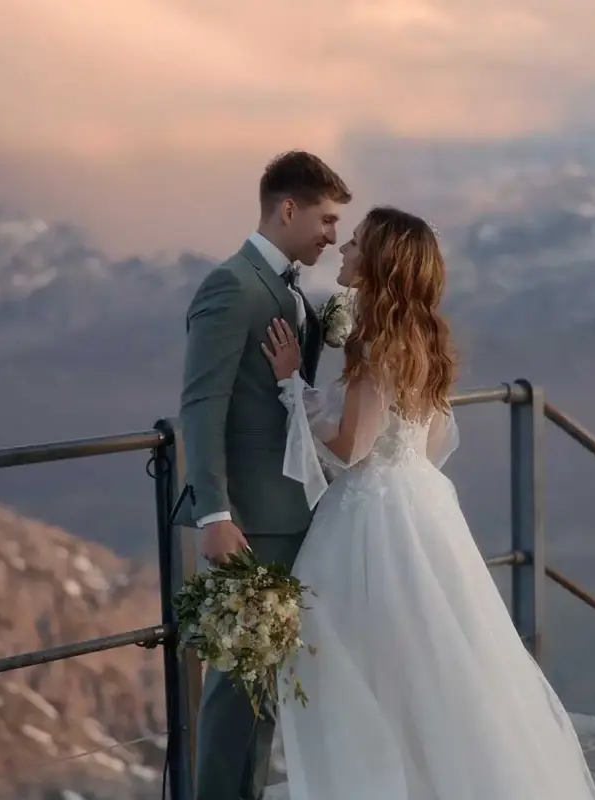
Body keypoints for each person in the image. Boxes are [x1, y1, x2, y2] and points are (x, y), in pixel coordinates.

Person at [262, 206, 595, 799]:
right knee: (430, 664)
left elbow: (350, 447)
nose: (343, 250)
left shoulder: (376, 346)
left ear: (378, 263)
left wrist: (294, 385)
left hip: (371, 517)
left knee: (361, 666)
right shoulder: (421, 337)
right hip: (419, 501)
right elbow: (432, 436)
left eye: (357, 244)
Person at [174, 150, 352, 800]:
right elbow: (201, 402)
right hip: (250, 522)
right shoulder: (232, 285)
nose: (331, 235)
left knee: (264, 691)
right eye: (326, 220)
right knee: (236, 690)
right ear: (287, 209)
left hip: (293, 513)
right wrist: (215, 513)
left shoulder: (286, 287)